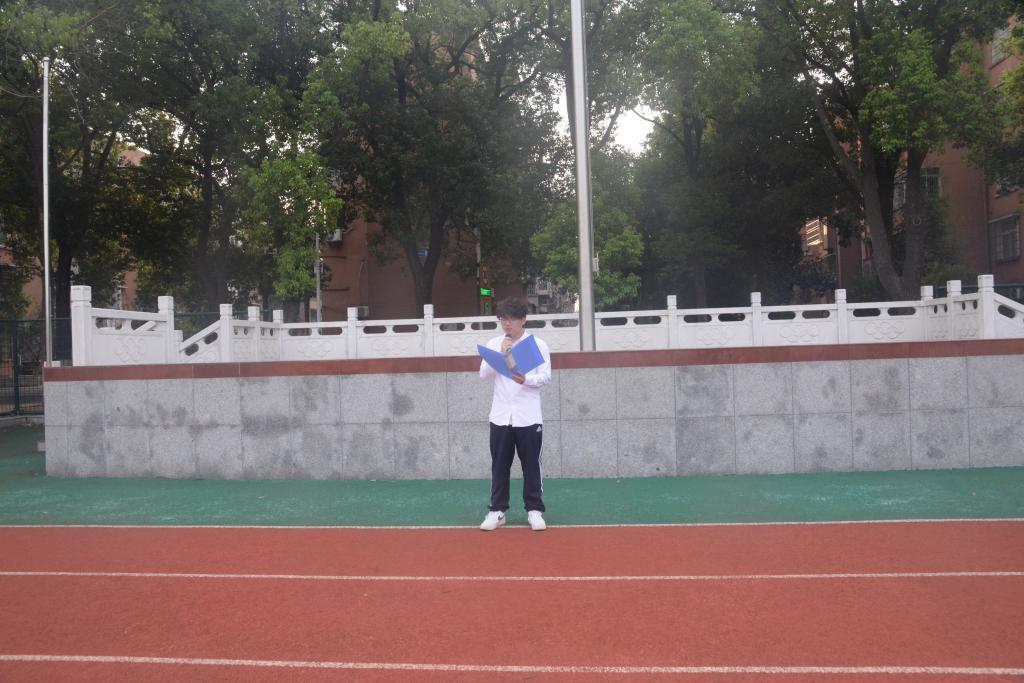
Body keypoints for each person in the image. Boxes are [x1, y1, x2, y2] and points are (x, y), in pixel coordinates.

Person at [478, 297, 552, 531]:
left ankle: (534, 510)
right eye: (503, 319)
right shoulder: (494, 343)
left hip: (528, 415)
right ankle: (497, 511)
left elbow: (545, 377)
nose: (507, 324)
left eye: (512, 319)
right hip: (500, 415)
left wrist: (526, 379)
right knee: (499, 465)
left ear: (523, 320)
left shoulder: (537, 345)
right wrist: (501, 355)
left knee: (531, 465)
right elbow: (483, 374)